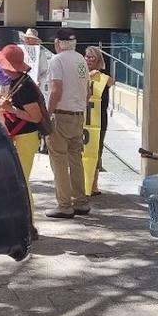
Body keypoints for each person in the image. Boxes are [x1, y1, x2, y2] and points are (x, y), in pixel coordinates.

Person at [0, 44, 46, 231]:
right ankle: (25, 223)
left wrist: (11, 109)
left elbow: (35, 116)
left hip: (25, 138)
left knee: (21, 182)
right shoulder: (19, 82)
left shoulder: (25, 87)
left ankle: (29, 225)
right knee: (19, 181)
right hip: (21, 138)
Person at [45, 28, 90, 219]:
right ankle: (80, 201)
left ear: (58, 43)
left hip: (61, 114)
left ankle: (64, 204)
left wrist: (48, 114)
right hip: (78, 114)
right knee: (75, 158)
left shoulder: (57, 60)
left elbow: (56, 89)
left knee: (59, 160)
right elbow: (87, 90)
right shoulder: (81, 59)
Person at [83, 46, 112, 184]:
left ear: (98, 59)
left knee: (96, 150)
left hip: (99, 118)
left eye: (92, 57)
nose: (88, 59)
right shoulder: (81, 73)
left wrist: (98, 75)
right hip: (83, 118)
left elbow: (111, 82)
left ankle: (93, 184)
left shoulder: (103, 73)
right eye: (87, 56)